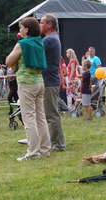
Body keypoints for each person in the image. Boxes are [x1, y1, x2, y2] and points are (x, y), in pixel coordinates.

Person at [5, 17, 51, 161]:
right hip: (39, 83)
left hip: (26, 84)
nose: (19, 30)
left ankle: (33, 153)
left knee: (29, 118)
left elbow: (8, 61)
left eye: (21, 27)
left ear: (26, 29)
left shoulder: (22, 44)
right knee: (40, 117)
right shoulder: (39, 43)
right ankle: (44, 149)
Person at [40, 14, 66, 151]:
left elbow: (34, 53)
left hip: (49, 82)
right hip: (50, 80)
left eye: (42, 22)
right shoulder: (52, 38)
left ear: (49, 24)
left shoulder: (49, 40)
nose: (39, 25)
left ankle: (58, 144)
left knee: (51, 114)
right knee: (49, 113)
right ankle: (53, 141)